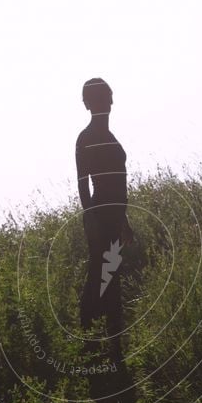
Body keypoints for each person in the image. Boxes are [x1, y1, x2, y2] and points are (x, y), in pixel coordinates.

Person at [75, 78, 133, 348]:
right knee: (99, 275)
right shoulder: (86, 137)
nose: (106, 103)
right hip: (100, 216)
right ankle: (89, 340)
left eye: (107, 97)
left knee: (111, 276)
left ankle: (112, 341)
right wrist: (91, 219)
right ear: (88, 104)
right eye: (99, 99)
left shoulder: (110, 137)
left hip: (114, 216)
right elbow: (82, 182)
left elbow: (118, 182)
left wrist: (125, 220)